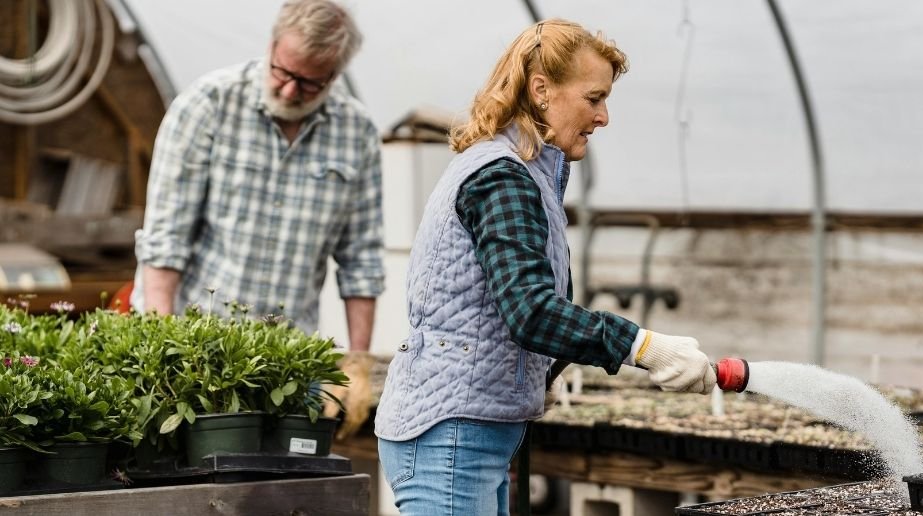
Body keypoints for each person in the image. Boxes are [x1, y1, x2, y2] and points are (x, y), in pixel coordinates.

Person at [374, 19, 718, 514]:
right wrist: (644, 347)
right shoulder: (503, 178)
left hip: (468, 434)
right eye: (594, 98)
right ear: (541, 91)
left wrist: (539, 373)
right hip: (450, 436)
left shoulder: (525, 174)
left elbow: (501, 307)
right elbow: (531, 311)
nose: (604, 117)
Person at [131, 0, 381, 440]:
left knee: (282, 493)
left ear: (334, 76)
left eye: (308, 83)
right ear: (271, 45)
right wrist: (162, 351)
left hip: (289, 360)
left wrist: (357, 363)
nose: (289, 91)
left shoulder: (355, 132)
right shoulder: (208, 105)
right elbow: (164, 242)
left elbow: (361, 259)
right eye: (282, 72)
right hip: (197, 351)